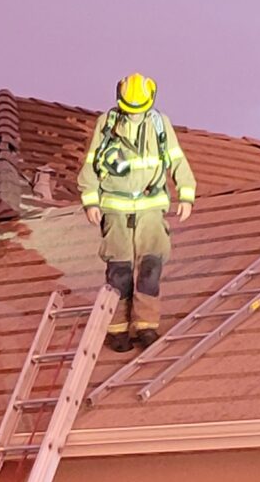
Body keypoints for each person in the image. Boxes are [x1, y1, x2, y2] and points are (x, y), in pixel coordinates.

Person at [79, 72, 197, 352]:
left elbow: (176, 159)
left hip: (150, 207)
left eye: (138, 111)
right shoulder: (107, 123)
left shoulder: (159, 123)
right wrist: (90, 201)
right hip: (115, 208)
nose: (133, 116)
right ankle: (117, 328)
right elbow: (91, 161)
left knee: (150, 267)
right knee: (118, 270)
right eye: (129, 110)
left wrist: (186, 194)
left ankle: (146, 326)